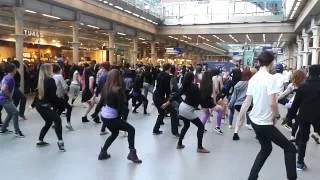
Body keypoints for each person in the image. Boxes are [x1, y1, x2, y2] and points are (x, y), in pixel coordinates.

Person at [238, 52, 297, 180]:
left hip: (254, 120)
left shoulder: (253, 78)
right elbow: (272, 103)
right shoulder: (271, 79)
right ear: (271, 63)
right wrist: (277, 116)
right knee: (290, 148)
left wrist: (240, 119)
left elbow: (247, 102)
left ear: (259, 63)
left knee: (266, 149)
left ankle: (252, 177)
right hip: (264, 123)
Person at [97, 69, 142, 163]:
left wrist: (95, 113)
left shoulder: (106, 87)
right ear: (118, 77)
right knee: (131, 130)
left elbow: (101, 101)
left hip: (104, 116)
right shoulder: (118, 90)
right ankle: (132, 153)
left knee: (114, 133)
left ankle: (103, 152)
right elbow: (121, 107)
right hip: (112, 118)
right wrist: (125, 115)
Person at [286, 65, 320, 171]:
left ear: (309, 73)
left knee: (302, 140)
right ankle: (317, 132)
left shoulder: (303, 86)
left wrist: (289, 117)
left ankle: (300, 163)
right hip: (318, 116)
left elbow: (295, 104)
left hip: (304, 116)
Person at [167, 72, 209, 153]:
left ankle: (179, 144)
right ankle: (200, 147)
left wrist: (168, 102)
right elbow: (199, 100)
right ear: (193, 78)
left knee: (186, 125)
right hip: (188, 110)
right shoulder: (194, 87)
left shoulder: (185, 86)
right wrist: (207, 106)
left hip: (182, 107)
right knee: (201, 127)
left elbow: (177, 94)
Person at [32, 63, 65, 151]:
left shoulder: (40, 80)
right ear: (48, 70)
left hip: (39, 106)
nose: (52, 69)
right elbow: (53, 97)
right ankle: (60, 142)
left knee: (49, 122)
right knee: (58, 120)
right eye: (51, 68)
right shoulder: (50, 80)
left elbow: (36, 95)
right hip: (45, 106)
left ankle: (40, 140)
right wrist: (60, 104)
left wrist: (32, 105)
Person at [279, 70, 306, 141]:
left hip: (293, 104)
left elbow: (284, 94)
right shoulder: (305, 84)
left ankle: (292, 136)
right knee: (300, 121)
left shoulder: (292, 85)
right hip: (303, 105)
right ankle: (297, 137)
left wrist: (277, 99)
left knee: (296, 120)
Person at [152, 64, 179, 137]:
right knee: (173, 111)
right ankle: (175, 132)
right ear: (169, 68)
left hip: (155, 96)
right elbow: (167, 90)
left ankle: (155, 129)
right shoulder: (167, 76)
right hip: (160, 98)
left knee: (161, 113)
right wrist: (169, 100)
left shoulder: (159, 74)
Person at [0, 63, 24, 137]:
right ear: (13, 70)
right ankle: (17, 131)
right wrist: (9, 95)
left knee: (10, 113)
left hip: (3, 98)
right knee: (15, 112)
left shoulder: (6, 77)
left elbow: (1, 85)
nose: (16, 70)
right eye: (15, 68)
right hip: (5, 99)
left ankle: (3, 128)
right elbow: (3, 88)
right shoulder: (9, 78)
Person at [229, 69, 253, 140]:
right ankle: (258, 134)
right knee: (252, 118)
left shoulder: (237, 84)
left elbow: (234, 96)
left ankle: (236, 133)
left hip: (237, 105)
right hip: (247, 104)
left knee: (240, 119)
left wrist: (231, 104)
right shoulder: (250, 83)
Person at [52, 64, 73, 130]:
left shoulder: (51, 76)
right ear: (58, 69)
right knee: (69, 108)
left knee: (60, 108)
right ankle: (68, 123)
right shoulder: (59, 76)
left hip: (53, 97)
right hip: (59, 96)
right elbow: (65, 87)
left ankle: (55, 122)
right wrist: (67, 85)